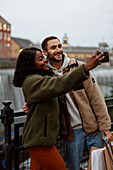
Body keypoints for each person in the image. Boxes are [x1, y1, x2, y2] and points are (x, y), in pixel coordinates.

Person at [13, 47, 103, 170]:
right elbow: (59, 85)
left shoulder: (41, 79)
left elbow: (55, 91)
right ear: (30, 64)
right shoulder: (31, 81)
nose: (45, 60)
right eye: (40, 59)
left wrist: (32, 106)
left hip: (44, 139)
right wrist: (85, 68)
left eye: (44, 57)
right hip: (39, 141)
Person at [41, 36, 111, 170]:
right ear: (45, 52)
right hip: (71, 132)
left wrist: (105, 125)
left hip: (93, 127)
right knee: (74, 167)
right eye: (53, 47)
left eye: (59, 46)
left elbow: (96, 98)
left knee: (99, 166)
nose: (58, 50)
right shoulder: (45, 75)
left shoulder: (78, 67)